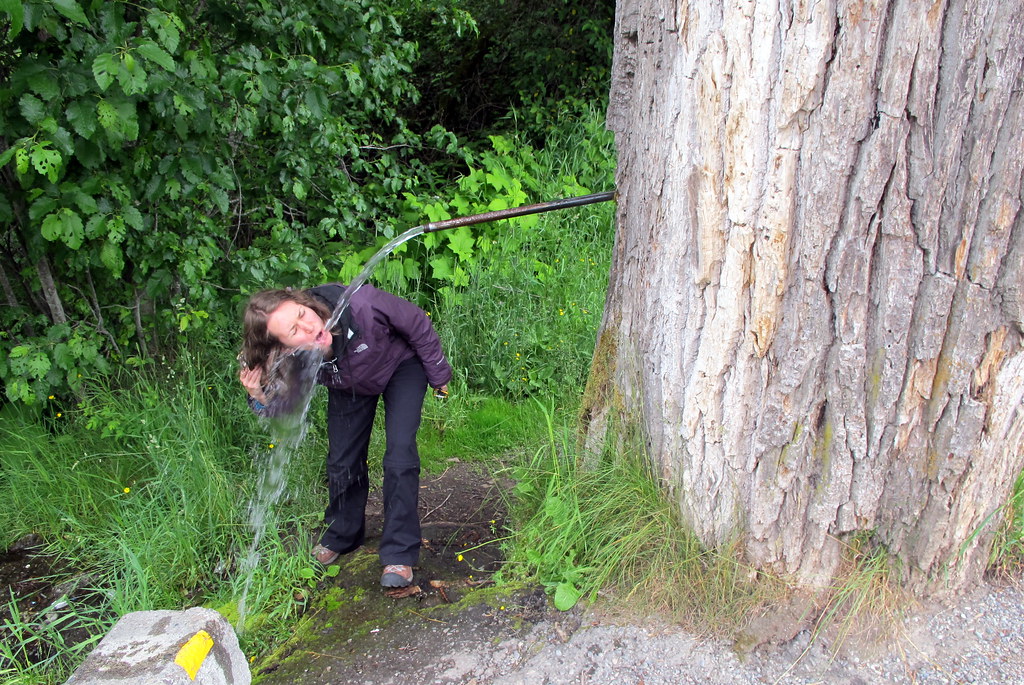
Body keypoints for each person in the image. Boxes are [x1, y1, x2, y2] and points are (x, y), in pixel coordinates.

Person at [237, 283, 451, 588]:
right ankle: (342, 534)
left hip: (401, 367)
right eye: (294, 331)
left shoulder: (361, 303)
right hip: (347, 384)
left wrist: (439, 375)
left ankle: (399, 553)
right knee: (341, 461)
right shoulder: (290, 358)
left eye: (302, 314)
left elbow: (416, 320)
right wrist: (260, 395)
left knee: (399, 457)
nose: (309, 327)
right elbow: (287, 411)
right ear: (283, 347)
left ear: (305, 303)